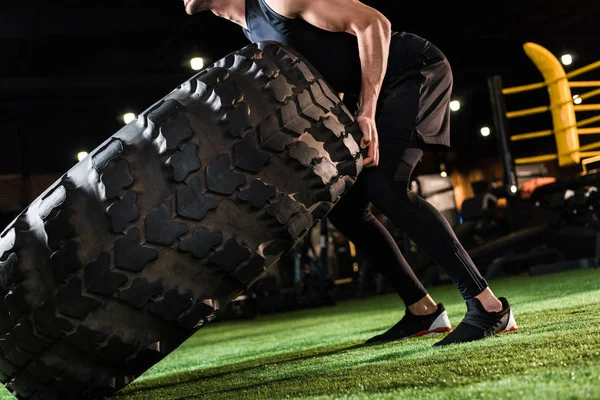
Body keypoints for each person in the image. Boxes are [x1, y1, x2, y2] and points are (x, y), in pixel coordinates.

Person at [182, 0, 518, 346]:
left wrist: (368, 111)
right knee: (344, 207)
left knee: (387, 188)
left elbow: (374, 24)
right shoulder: (251, 30)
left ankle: (489, 307)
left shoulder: (277, 2)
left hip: (412, 71)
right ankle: (423, 311)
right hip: (366, 95)